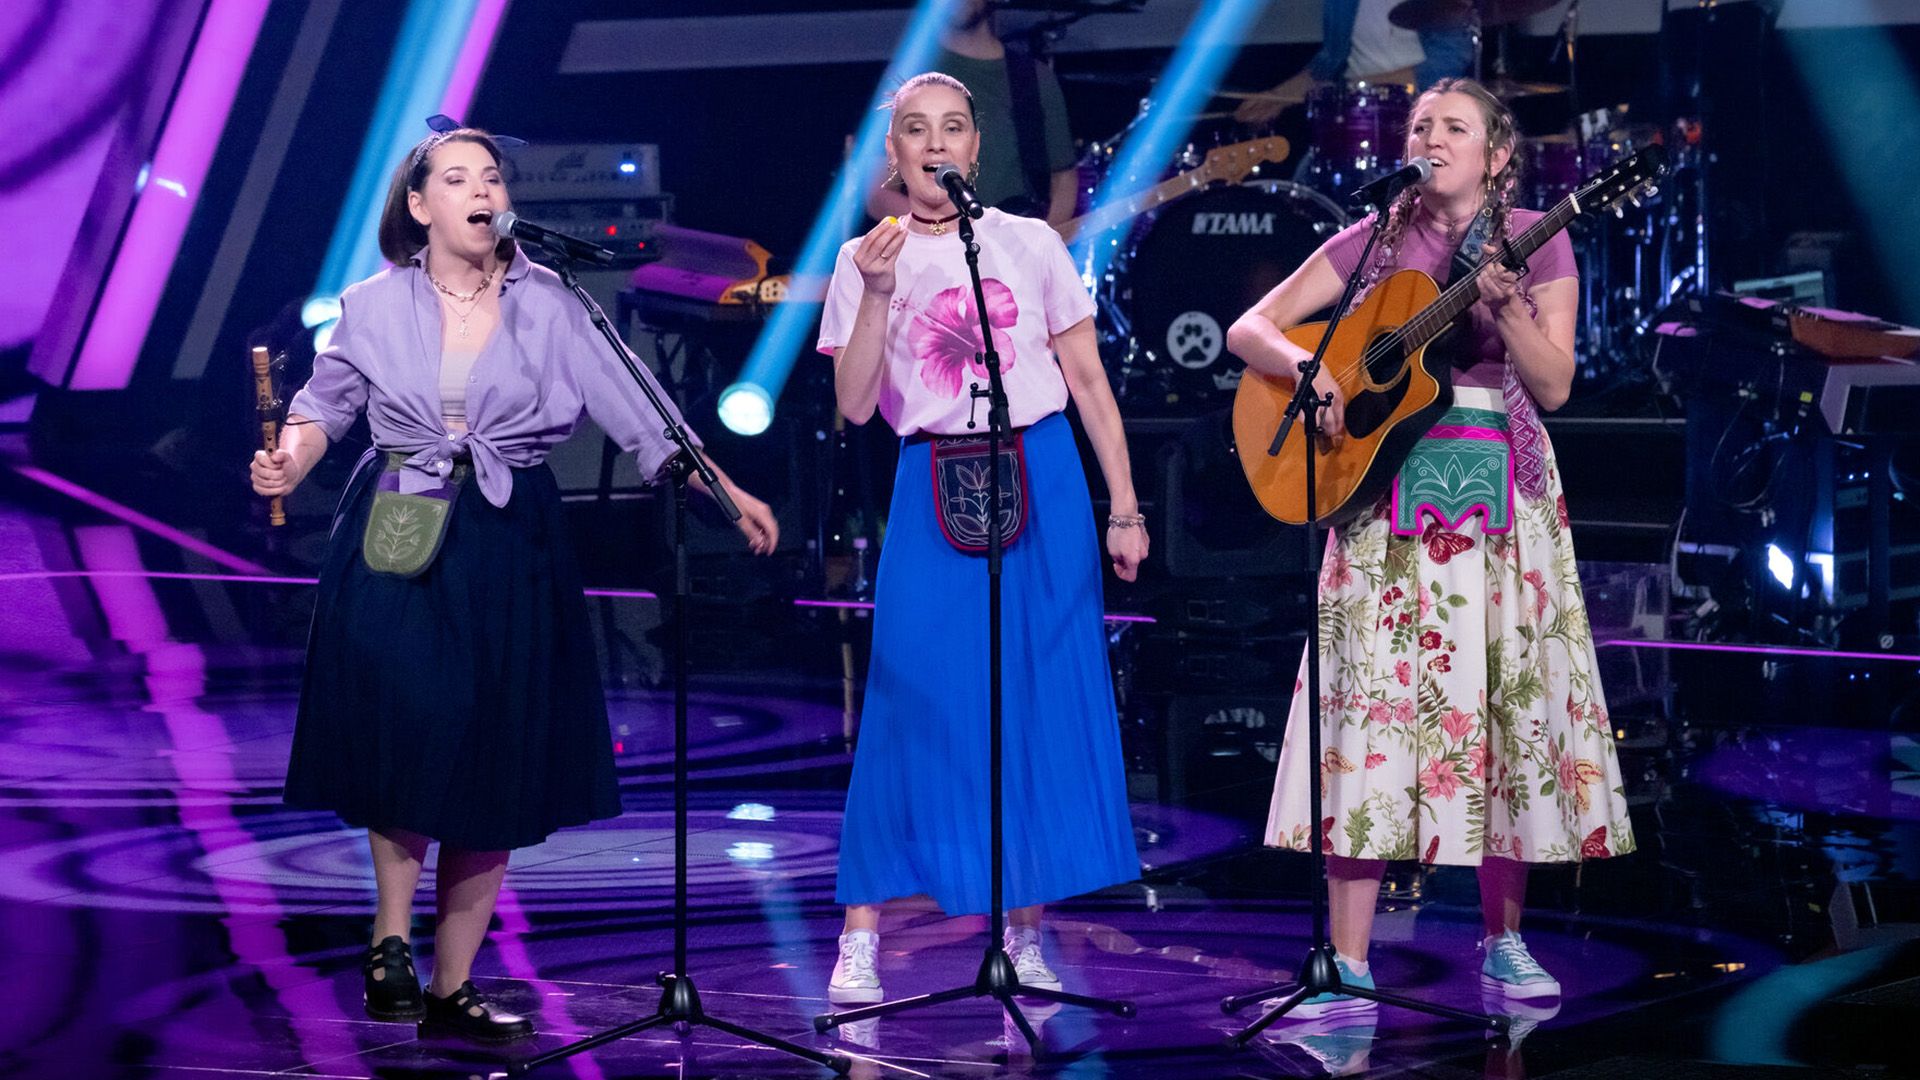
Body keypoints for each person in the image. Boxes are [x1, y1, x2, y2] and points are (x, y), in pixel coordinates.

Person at [250, 125, 778, 1042]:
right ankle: (389, 939)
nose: (480, 191)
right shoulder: (372, 304)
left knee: (497, 750)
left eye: (491, 177)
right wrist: (287, 462)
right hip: (400, 521)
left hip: (509, 534)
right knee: (411, 717)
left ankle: (451, 988)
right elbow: (322, 408)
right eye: (457, 178)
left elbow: (640, 414)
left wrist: (722, 489)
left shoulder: (555, 302)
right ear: (420, 206)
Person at [1225, 78, 1633, 1019]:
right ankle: (1350, 961)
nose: (1432, 137)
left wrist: (1510, 309)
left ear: (1497, 155)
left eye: (1454, 126)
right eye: (1420, 125)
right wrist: (1311, 369)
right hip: (1381, 492)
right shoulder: (1372, 241)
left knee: (1502, 705)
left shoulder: (1536, 235)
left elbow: (1556, 385)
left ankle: (1505, 942)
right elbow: (1251, 328)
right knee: (1369, 714)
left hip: (1501, 493)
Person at [818, 72, 1146, 1005]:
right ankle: (861, 933)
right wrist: (878, 293)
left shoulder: (1028, 242)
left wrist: (1124, 505)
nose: (936, 144)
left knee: (1033, 700)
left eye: (953, 127)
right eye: (916, 130)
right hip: (932, 479)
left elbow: (1086, 380)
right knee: (907, 701)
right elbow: (854, 405)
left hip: (1042, 474)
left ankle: (1024, 930)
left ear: (975, 146)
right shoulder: (861, 259)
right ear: (895, 154)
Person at [865, 0, 1078, 228]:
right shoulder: (908, 76)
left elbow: (1064, 179)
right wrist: (945, 230)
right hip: (936, 246)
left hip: (1015, 238)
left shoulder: (1034, 78)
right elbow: (878, 195)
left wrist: (1041, 240)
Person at [1235, 0, 1475, 125]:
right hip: (1350, 118)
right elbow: (1329, 63)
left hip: (1418, 116)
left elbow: (1448, 63)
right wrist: (1275, 97)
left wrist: (1353, 88)